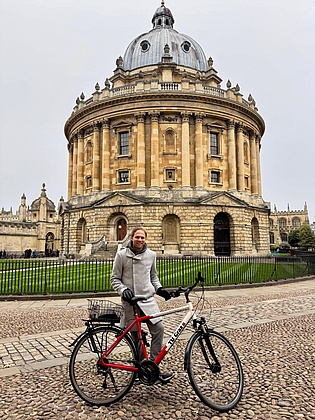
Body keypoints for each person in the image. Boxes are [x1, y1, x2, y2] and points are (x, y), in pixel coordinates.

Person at [110, 227, 173, 383]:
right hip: (131, 302)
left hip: (147, 300)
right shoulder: (121, 255)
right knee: (136, 338)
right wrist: (123, 290)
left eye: (142, 237)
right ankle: (141, 370)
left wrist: (160, 289)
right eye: (137, 237)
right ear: (131, 238)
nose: (140, 240)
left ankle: (152, 366)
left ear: (145, 239)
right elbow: (115, 279)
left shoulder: (151, 255)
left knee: (159, 329)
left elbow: (153, 277)